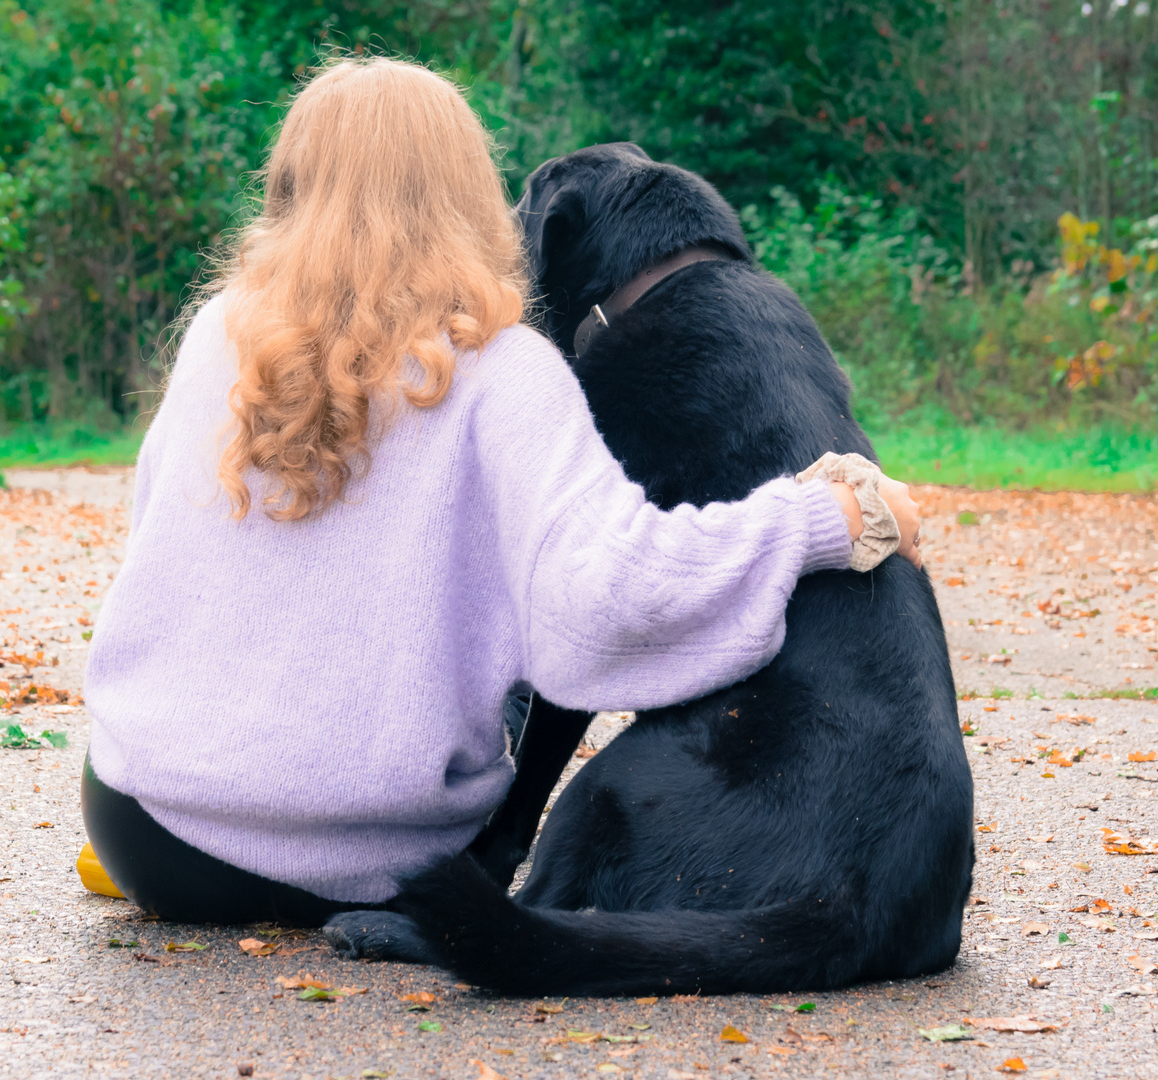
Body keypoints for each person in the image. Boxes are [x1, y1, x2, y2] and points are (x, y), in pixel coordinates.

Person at [80, 57, 922, 925]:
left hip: (143, 831)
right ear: (467, 193)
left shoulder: (221, 333)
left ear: (290, 188)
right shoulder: (501, 367)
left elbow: (163, 565)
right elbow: (607, 598)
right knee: (525, 627)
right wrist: (822, 517)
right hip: (362, 860)